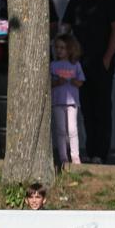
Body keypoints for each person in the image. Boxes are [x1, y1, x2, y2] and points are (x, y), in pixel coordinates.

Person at [61, 0, 115, 164]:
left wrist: (107, 57)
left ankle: (100, 153)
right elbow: (65, 29)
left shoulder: (109, 0)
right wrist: (65, 55)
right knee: (86, 109)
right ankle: (90, 151)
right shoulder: (76, 1)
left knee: (102, 108)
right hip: (79, 65)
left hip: (101, 63)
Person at [50, 34, 85, 165]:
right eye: (57, 47)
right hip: (57, 102)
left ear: (70, 49)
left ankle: (75, 157)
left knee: (72, 129)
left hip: (72, 103)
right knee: (61, 130)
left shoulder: (75, 65)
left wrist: (73, 81)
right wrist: (57, 82)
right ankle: (63, 157)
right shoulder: (53, 65)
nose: (59, 50)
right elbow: (48, 83)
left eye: (62, 48)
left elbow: (81, 82)